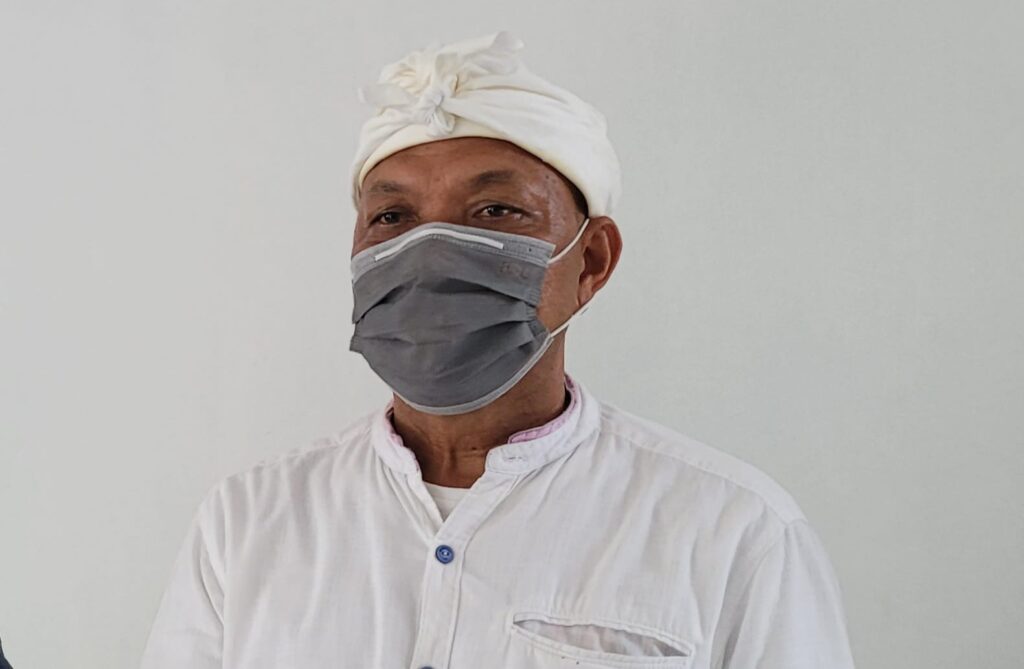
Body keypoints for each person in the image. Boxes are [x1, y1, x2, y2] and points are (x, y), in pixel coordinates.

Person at [140, 31, 855, 668]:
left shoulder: (733, 533)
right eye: (392, 216)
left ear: (591, 262)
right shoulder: (247, 522)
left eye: (495, 211)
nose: (429, 250)